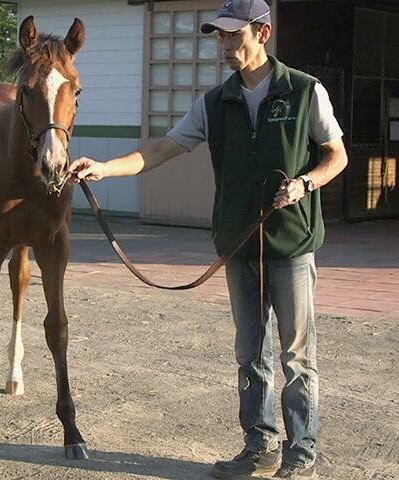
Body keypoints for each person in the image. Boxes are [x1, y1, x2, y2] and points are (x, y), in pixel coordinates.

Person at [67, 0, 348, 478]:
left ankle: (301, 455)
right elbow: (160, 149)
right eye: (218, 36)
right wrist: (104, 168)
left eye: (232, 35)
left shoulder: (304, 91)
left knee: (297, 355)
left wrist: (304, 184)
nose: (223, 45)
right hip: (237, 244)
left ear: (262, 33)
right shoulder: (214, 103)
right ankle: (259, 447)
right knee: (250, 352)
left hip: (292, 246)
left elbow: (336, 155)